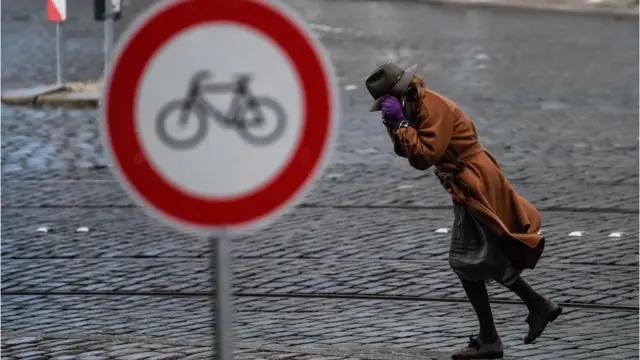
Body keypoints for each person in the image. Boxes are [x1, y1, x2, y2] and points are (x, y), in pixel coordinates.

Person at [364, 62, 562, 360]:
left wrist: (402, 125)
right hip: (464, 185)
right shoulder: (415, 106)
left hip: (476, 182)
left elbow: (422, 157)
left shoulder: (432, 107)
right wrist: (396, 125)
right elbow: (404, 151)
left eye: (385, 105)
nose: (384, 110)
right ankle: (515, 321)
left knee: (467, 261)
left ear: (400, 93)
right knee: (475, 260)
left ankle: (506, 329)